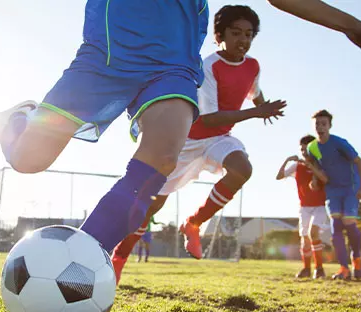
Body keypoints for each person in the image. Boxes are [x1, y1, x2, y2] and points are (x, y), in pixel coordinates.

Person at [0, 0, 361, 258]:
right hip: (103, 60)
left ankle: (83, 257)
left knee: (161, 157)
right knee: (28, 161)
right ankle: (22, 117)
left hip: (173, 67)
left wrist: (351, 24)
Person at [111, 4, 286, 283]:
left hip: (218, 139)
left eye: (249, 34)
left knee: (242, 169)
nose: (243, 40)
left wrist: (264, 106)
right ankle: (119, 257)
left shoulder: (253, 66)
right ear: (220, 35)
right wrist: (256, 112)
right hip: (188, 139)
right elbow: (213, 117)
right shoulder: (209, 66)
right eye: (235, 32)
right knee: (151, 207)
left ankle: (193, 223)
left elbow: (255, 92)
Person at [307, 110, 361, 280]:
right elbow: (317, 167)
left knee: (348, 221)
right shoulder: (312, 147)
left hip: (350, 187)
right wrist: (314, 180)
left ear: (330, 126)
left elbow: (359, 162)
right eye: (317, 124)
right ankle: (343, 268)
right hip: (332, 189)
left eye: (323, 124)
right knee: (336, 225)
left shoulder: (340, 143)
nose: (320, 127)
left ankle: (356, 257)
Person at [276, 134, 330, 279]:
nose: (304, 153)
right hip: (304, 207)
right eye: (302, 150)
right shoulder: (297, 166)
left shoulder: (321, 165)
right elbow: (279, 176)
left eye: (307, 150)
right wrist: (287, 160)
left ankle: (319, 268)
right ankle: (306, 268)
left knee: (313, 233)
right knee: (304, 237)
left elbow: (323, 181)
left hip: (319, 206)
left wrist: (313, 170)